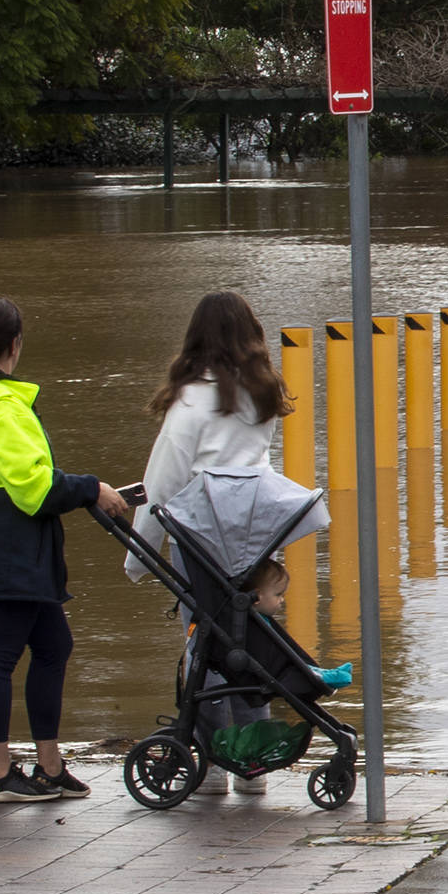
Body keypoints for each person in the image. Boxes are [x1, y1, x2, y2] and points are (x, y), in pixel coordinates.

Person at [0, 297, 130, 804]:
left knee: (53, 646)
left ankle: (48, 766)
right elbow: (33, 489)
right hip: (11, 553)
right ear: (15, 344)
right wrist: (90, 488)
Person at [133, 292, 290, 793]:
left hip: (201, 537)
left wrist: (139, 557)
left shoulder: (191, 403)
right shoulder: (263, 395)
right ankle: (255, 761)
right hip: (257, 532)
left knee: (206, 642)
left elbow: (162, 486)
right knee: (250, 638)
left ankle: (215, 764)